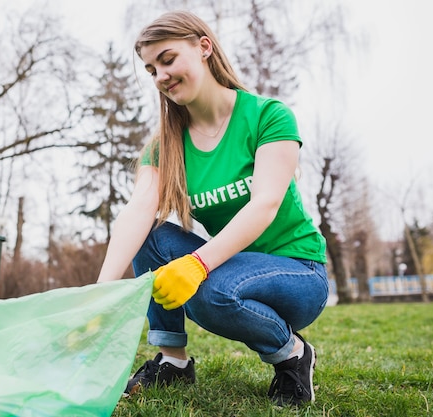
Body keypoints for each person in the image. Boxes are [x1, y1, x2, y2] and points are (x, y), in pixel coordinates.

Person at [96, 11, 328, 407]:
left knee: (211, 293)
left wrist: (199, 263)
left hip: (298, 271)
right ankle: (173, 361)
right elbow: (137, 212)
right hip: (231, 262)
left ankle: (292, 354)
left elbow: (265, 204)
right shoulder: (165, 145)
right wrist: (97, 298)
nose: (160, 77)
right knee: (150, 237)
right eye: (151, 69)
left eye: (167, 60)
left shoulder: (267, 116)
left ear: (204, 47)